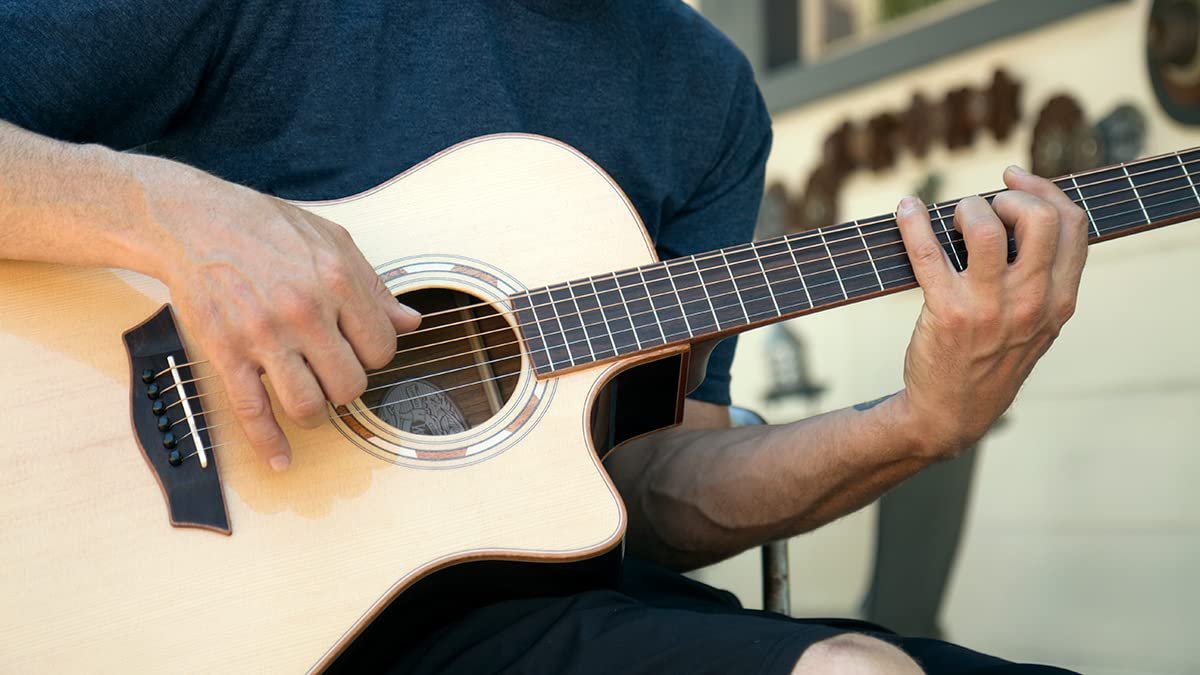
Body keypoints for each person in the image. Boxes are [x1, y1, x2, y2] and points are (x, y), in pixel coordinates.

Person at [0, 1, 1087, 672]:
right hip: (177, 604)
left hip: (515, 621)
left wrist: (918, 424)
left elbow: (651, 488)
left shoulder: (707, 98)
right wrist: (175, 215)